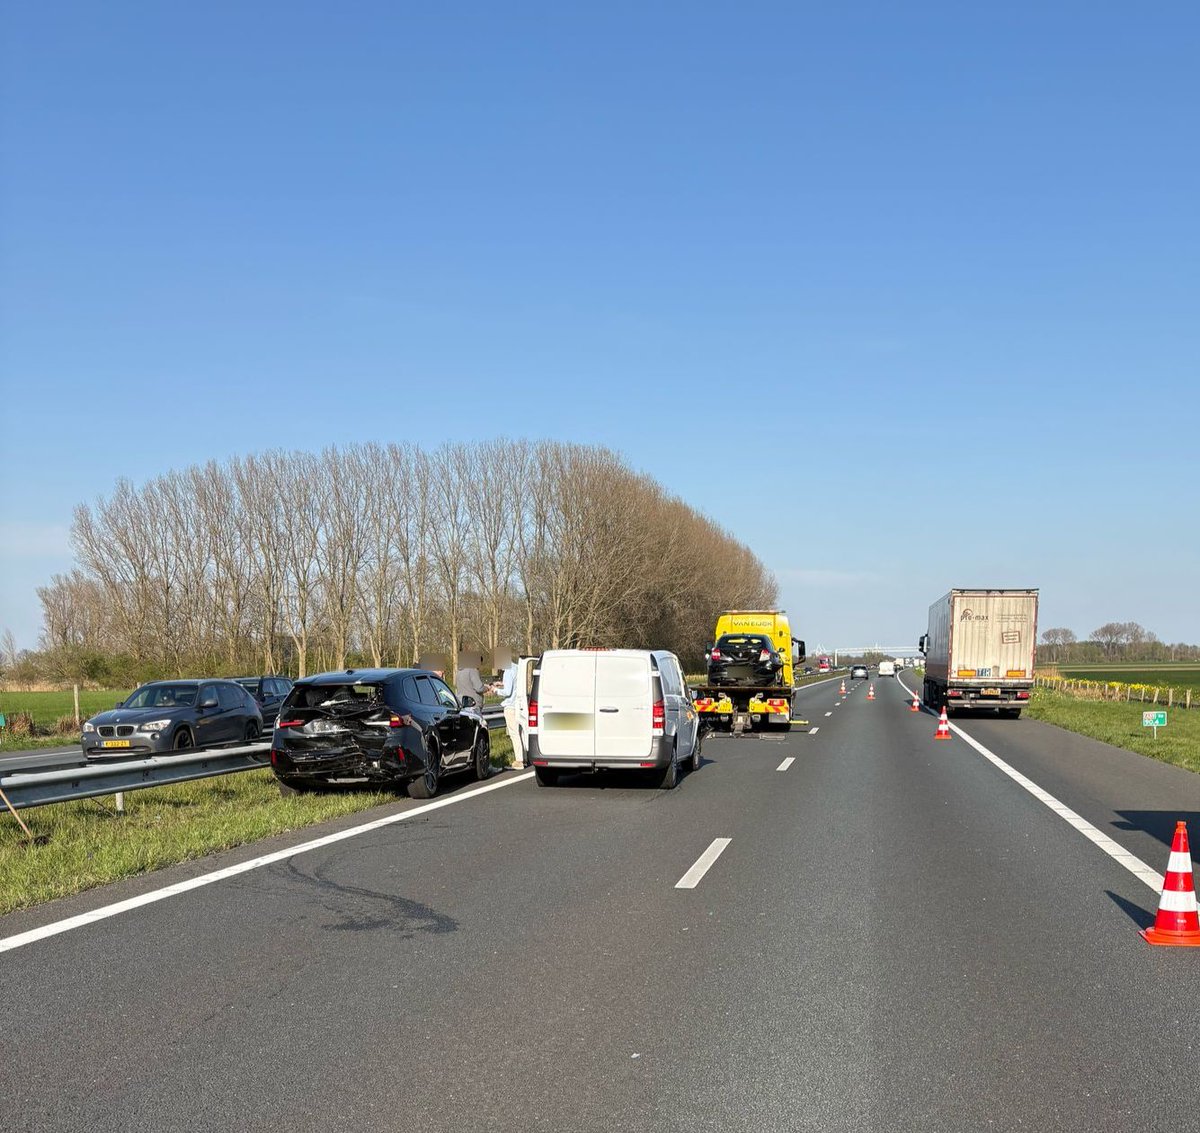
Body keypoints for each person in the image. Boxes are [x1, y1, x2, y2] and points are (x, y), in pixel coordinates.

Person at [499, 658, 528, 767]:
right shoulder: (516, 667)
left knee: (514, 733)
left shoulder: (507, 671)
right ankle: (525, 758)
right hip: (519, 705)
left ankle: (519, 761)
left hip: (510, 706)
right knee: (520, 732)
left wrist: (496, 690)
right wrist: (501, 684)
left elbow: (507, 692)